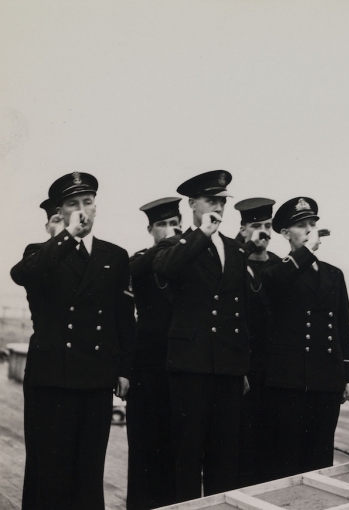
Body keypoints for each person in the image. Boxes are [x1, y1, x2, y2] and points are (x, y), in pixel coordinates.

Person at [11, 172, 135, 510]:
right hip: (52, 378)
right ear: (58, 213)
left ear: (96, 207)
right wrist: (63, 237)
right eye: (72, 204)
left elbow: (123, 318)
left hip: (96, 377)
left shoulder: (115, 255)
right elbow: (23, 275)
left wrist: (125, 369)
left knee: (89, 468)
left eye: (88, 202)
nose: (83, 209)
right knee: (49, 469)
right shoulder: (41, 253)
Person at [152, 170, 253, 502]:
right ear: (193, 204)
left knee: (225, 456)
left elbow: (240, 312)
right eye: (211, 201)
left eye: (222, 201)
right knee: (187, 455)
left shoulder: (235, 251)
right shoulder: (174, 244)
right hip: (189, 366)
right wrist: (200, 235)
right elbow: (165, 269)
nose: (218, 208)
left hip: (227, 367)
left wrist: (242, 367)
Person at [263, 197, 349, 479]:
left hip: (326, 380)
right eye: (301, 225)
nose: (310, 229)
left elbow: (341, 328)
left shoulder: (333, 274)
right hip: (289, 382)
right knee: (286, 458)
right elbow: (273, 284)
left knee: (321, 456)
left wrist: (344, 378)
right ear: (285, 232)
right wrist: (306, 252)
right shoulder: (276, 271)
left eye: (313, 224)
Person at [125, 197, 182, 509]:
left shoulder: (193, 260)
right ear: (150, 229)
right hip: (146, 371)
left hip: (183, 369)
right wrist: (159, 251)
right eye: (162, 224)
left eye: (175, 224)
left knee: (179, 451)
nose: (169, 230)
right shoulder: (141, 261)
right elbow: (125, 276)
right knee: (144, 449)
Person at [19, 198, 66, 510]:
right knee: (43, 455)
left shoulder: (96, 258)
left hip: (84, 371)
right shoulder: (37, 253)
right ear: (47, 225)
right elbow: (33, 278)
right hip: (46, 368)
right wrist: (63, 238)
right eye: (56, 220)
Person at [233, 198, 281, 487]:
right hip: (245, 367)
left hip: (275, 368)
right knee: (244, 444)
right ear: (243, 230)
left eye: (266, 225)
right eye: (255, 226)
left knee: (273, 443)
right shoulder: (235, 264)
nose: (262, 232)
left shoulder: (279, 265)